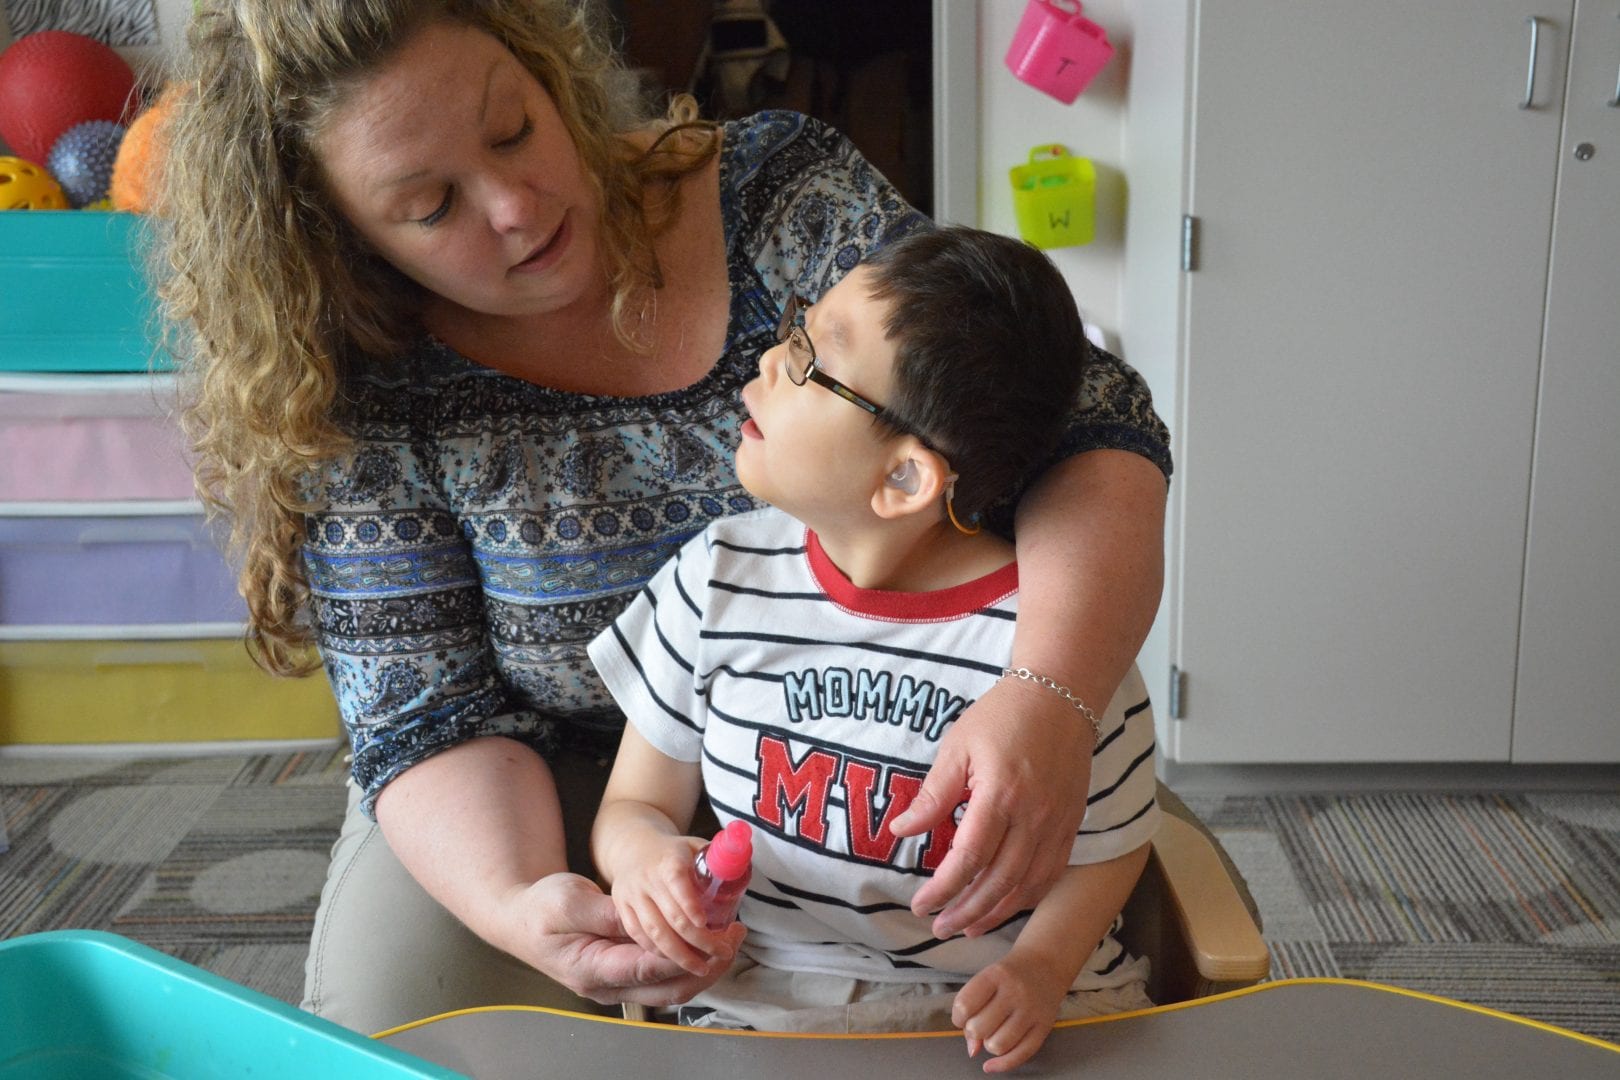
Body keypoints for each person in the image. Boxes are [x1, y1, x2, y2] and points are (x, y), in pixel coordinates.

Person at [154, 0, 1172, 1037]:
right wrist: (528, 902)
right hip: (545, 786)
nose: (514, 203)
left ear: (550, 76)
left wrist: (1049, 692)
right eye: (428, 206)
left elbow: (1071, 411)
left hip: (908, 742)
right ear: (342, 239)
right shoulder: (361, 382)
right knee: (408, 1028)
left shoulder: (774, 189)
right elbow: (425, 716)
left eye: (514, 129)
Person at [589, 227, 1159, 1073]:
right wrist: (640, 861)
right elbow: (633, 804)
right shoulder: (717, 577)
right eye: (796, 328)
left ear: (904, 479)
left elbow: (1113, 844)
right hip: (772, 1001)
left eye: (811, 362)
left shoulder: (1051, 644)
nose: (770, 362)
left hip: (1001, 1017)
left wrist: (1040, 966)